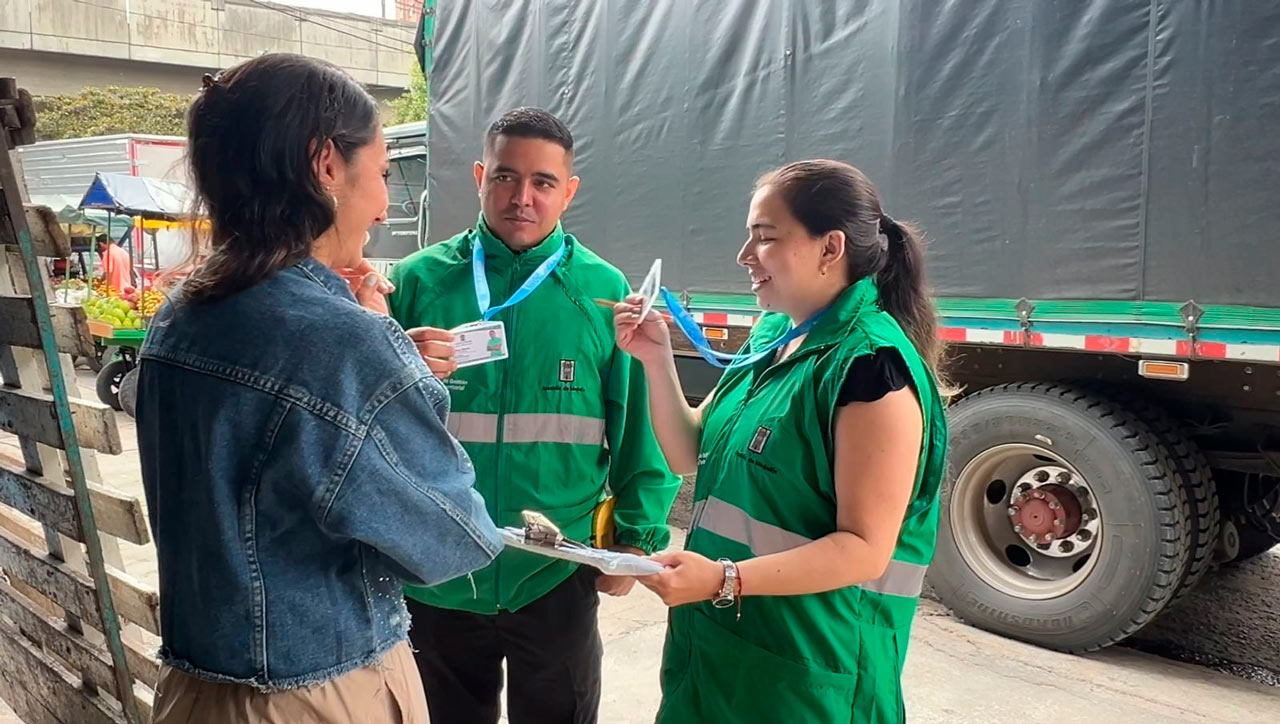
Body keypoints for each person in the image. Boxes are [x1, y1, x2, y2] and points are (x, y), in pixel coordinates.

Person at [135, 53, 502, 724]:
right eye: (384, 173)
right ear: (326, 164)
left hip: (193, 692)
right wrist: (394, 366)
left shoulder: (180, 315)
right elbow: (456, 536)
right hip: (317, 695)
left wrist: (379, 372)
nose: (386, 205)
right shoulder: (344, 344)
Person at [614, 160, 949, 723]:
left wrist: (722, 579)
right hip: (718, 653)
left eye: (765, 238)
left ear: (830, 247)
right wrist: (654, 358)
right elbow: (689, 453)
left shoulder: (871, 370)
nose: (745, 255)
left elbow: (865, 548)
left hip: (808, 674)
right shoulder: (776, 335)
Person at [387, 107, 681, 724]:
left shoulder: (602, 292)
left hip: (556, 570)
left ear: (568, 191)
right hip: (438, 568)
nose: (522, 197)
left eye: (543, 182)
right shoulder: (416, 284)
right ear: (479, 176)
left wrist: (638, 536)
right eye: (505, 177)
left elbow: (639, 430)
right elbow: (371, 428)